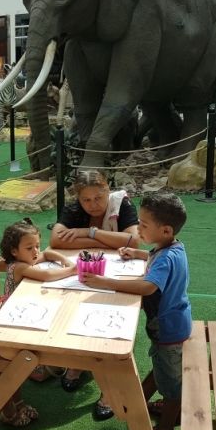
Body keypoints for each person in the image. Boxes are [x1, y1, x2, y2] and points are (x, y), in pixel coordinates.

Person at [81, 192, 191, 430]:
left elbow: (148, 286)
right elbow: (157, 259)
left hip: (168, 330)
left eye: (144, 225)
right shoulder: (172, 248)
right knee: (163, 367)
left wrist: (106, 282)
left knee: (172, 384)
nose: (139, 229)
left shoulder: (164, 257)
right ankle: (145, 400)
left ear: (165, 231)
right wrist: (139, 254)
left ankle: (165, 429)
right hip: (174, 324)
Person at [49, 169, 140, 406]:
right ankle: (77, 363)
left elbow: (134, 240)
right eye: (86, 200)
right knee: (72, 309)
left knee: (108, 316)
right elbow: (56, 240)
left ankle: (108, 377)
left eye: (98, 198)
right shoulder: (74, 208)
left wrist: (88, 232)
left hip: (118, 273)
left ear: (108, 191)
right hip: (83, 270)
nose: (93, 205)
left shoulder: (123, 204)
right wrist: (106, 239)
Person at [0, 218, 76, 426]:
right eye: (30, 247)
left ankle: (19, 402)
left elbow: (47, 254)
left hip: (21, 317)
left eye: (37, 245)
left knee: (20, 363)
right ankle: (8, 411)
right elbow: (47, 275)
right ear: (14, 251)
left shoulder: (28, 258)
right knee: (15, 364)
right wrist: (72, 270)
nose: (35, 251)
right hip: (5, 326)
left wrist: (64, 260)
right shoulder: (18, 266)